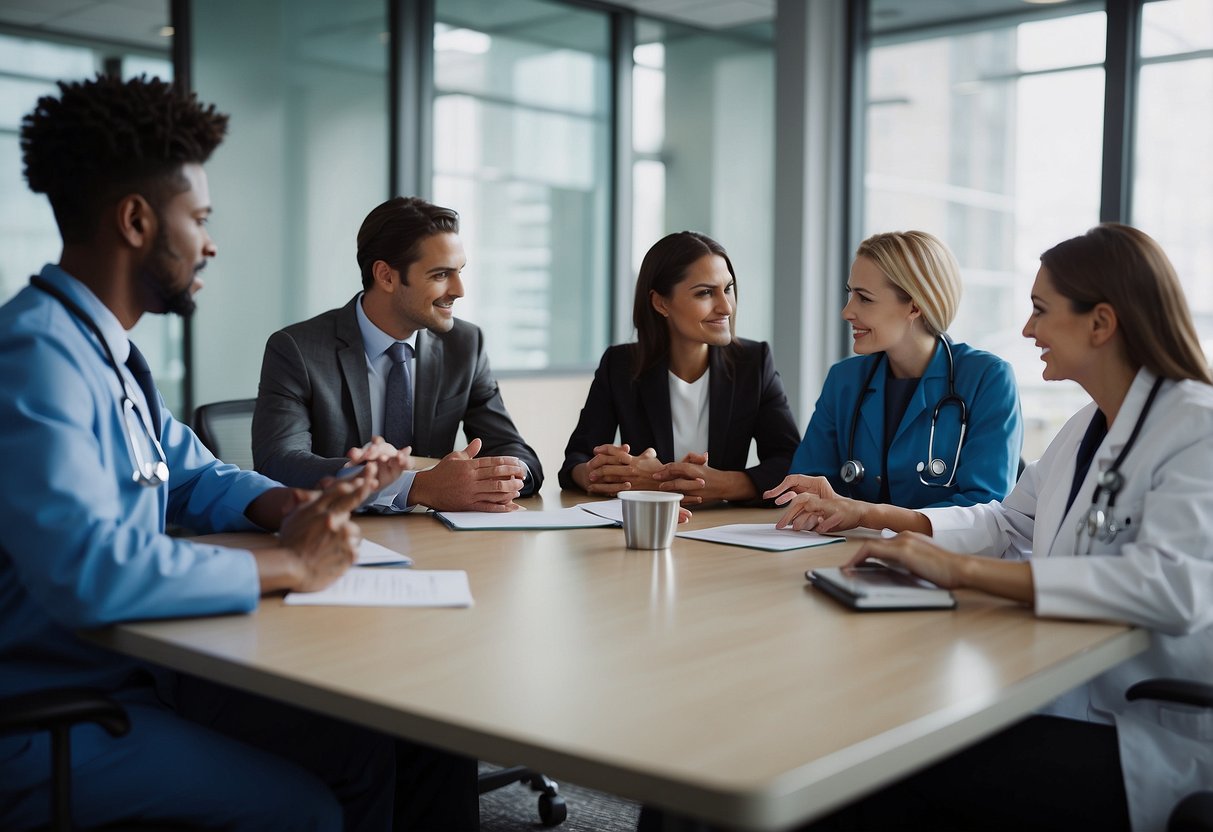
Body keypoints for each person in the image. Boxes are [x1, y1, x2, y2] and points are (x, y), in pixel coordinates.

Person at [0, 74, 400, 830]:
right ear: (136, 221)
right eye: (200, 217)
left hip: (133, 672)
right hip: (46, 715)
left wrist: (289, 504)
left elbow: (186, 471)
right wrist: (293, 564)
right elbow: (95, 570)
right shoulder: (32, 357)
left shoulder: (98, 349)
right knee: (307, 811)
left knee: (362, 747)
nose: (210, 243)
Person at [772, 224, 1213, 831]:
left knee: (884, 771)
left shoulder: (1197, 427)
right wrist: (882, 523)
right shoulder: (1087, 426)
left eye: (1040, 310)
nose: (1028, 329)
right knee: (859, 742)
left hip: (1146, 730)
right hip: (1063, 689)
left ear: (1100, 323)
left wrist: (959, 570)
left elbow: (1172, 589)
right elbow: (1007, 522)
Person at [253, 196, 543, 513]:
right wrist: (415, 485)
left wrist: (497, 478)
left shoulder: (465, 344)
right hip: (336, 534)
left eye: (459, 271)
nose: (459, 290)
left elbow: (519, 455)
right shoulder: (298, 349)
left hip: (434, 539)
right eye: (441, 275)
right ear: (387, 276)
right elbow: (279, 464)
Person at [559, 230, 801, 505]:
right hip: (647, 526)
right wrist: (602, 473)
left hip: (726, 527)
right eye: (706, 293)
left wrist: (718, 484)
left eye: (728, 289)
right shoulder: (620, 365)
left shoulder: (754, 362)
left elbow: (791, 462)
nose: (726, 307)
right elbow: (576, 461)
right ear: (661, 302)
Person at [785, 230, 1022, 510]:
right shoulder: (845, 380)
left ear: (914, 305)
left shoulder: (988, 379)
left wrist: (868, 516)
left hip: (940, 553)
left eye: (864, 298)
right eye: (850, 294)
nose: (846, 312)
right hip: (848, 549)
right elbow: (806, 485)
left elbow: (983, 508)